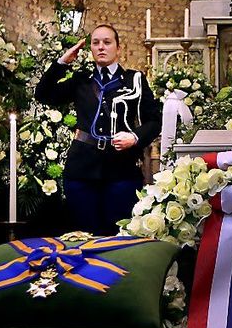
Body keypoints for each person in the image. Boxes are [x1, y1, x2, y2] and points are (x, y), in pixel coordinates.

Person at [35, 24, 161, 236]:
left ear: (118, 48)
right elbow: (44, 95)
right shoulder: (81, 80)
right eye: (95, 43)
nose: (101, 47)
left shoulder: (134, 80)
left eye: (107, 42)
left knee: (117, 236)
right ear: (90, 49)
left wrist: (135, 137)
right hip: (81, 170)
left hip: (121, 170)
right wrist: (62, 63)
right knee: (83, 236)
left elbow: (155, 120)